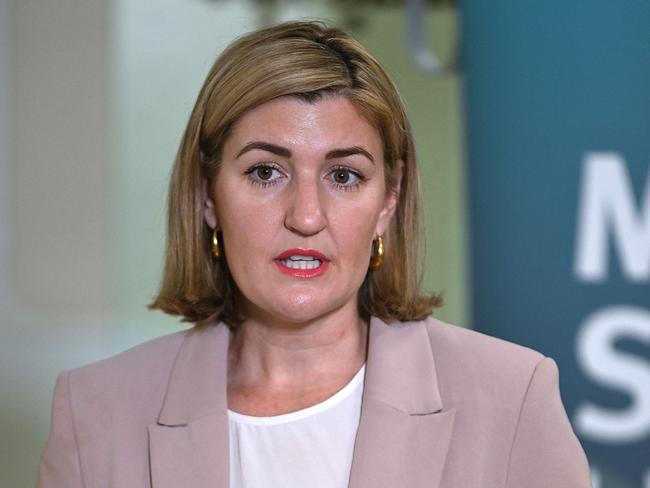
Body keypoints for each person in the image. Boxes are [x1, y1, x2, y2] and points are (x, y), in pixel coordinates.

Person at [37, 21, 591, 488]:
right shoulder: (94, 412)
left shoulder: (512, 399)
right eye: (265, 172)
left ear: (387, 202)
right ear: (208, 196)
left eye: (344, 176)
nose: (306, 216)